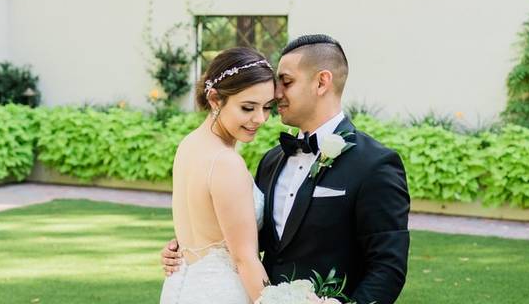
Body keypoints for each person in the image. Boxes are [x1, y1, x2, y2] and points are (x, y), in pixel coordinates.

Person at [162, 34, 410, 304]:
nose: (276, 92)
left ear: (322, 82)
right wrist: (189, 248)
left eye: (286, 82)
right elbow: (240, 238)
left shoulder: (375, 165)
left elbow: (388, 268)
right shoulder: (271, 161)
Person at [160, 46, 277, 304]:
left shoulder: (188, 145)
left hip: (181, 286)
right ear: (215, 99)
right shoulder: (226, 163)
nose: (260, 119)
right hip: (222, 293)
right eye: (248, 108)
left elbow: (199, 229)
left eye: (268, 107)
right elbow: (244, 259)